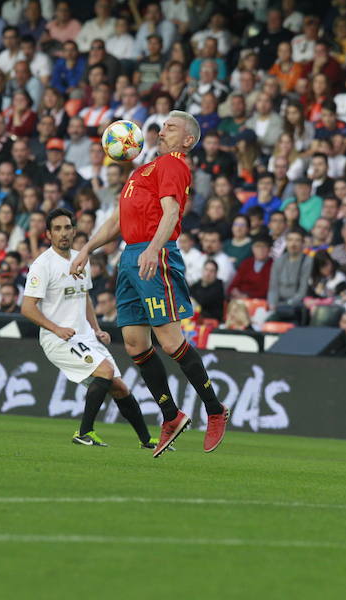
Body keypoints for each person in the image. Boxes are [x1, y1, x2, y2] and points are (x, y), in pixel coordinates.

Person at [70, 110, 229, 458]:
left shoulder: (174, 163)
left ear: (187, 140)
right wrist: (86, 248)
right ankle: (171, 416)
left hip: (153, 255)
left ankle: (215, 410)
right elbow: (117, 220)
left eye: (171, 127)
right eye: (162, 126)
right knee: (134, 342)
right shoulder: (142, 171)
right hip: (131, 256)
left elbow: (172, 212)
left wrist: (154, 250)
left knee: (171, 341)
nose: (161, 131)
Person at [21, 208, 158, 449]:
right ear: (49, 234)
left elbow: (84, 297)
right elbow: (28, 308)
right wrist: (57, 329)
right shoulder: (43, 265)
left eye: (67, 228)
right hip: (58, 339)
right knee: (105, 372)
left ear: (74, 231)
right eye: (57, 229)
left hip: (84, 335)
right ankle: (84, 432)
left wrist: (95, 329)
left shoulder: (80, 259)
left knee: (120, 386)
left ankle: (147, 440)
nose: (63, 233)